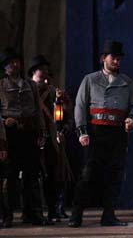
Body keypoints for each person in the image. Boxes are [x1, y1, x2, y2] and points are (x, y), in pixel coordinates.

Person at [69, 40, 133, 227]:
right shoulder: (90, 79)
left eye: (119, 58)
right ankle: (76, 215)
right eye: (113, 58)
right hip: (96, 132)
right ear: (103, 59)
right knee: (88, 175)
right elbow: (80, 106)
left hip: (117, 133)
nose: (116, 61)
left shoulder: (127, 82)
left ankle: (108, 215)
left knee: (114, 175)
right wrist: (82, 132)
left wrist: (132, 118)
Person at [0, 47, 50, 227]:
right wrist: (4, 129)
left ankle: (33, 213)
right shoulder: (1, 85)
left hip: (29, 133)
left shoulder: (30, 85)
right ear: (5, 68)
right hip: (10, 134)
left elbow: (37, 111)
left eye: (17, 62)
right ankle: (7, 215)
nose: (14, 65)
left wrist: (42, 132)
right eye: (10, 63)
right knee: (9, 176)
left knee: (32, 174)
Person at [28, 55, 74, 223]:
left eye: (47, 69)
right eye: (42, 69)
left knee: (55, 176)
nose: (45, 72)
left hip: (52, 141)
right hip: (31, 139)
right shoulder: (26, 91)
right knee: (32, 177)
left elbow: (67, 115)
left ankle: (54, 210)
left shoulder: (56, 93)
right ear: (34, 71)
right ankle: (33, 213)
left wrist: (64, 130)